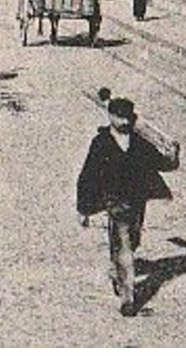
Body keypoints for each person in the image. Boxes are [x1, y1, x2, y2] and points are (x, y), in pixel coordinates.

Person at [75, 97, 179, 317]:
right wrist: (84, 208)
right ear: (111, 117)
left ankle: (117, 272)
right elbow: (88, 175)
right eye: (119, 116)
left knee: (132, 242)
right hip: (114, 201)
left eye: (127, 117)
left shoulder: (140, 142)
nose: (124, 121)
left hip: (137, 200)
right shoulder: (101, 143)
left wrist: (173, 154)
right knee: (124, 245)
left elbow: (162, 164)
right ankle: (128, 298)